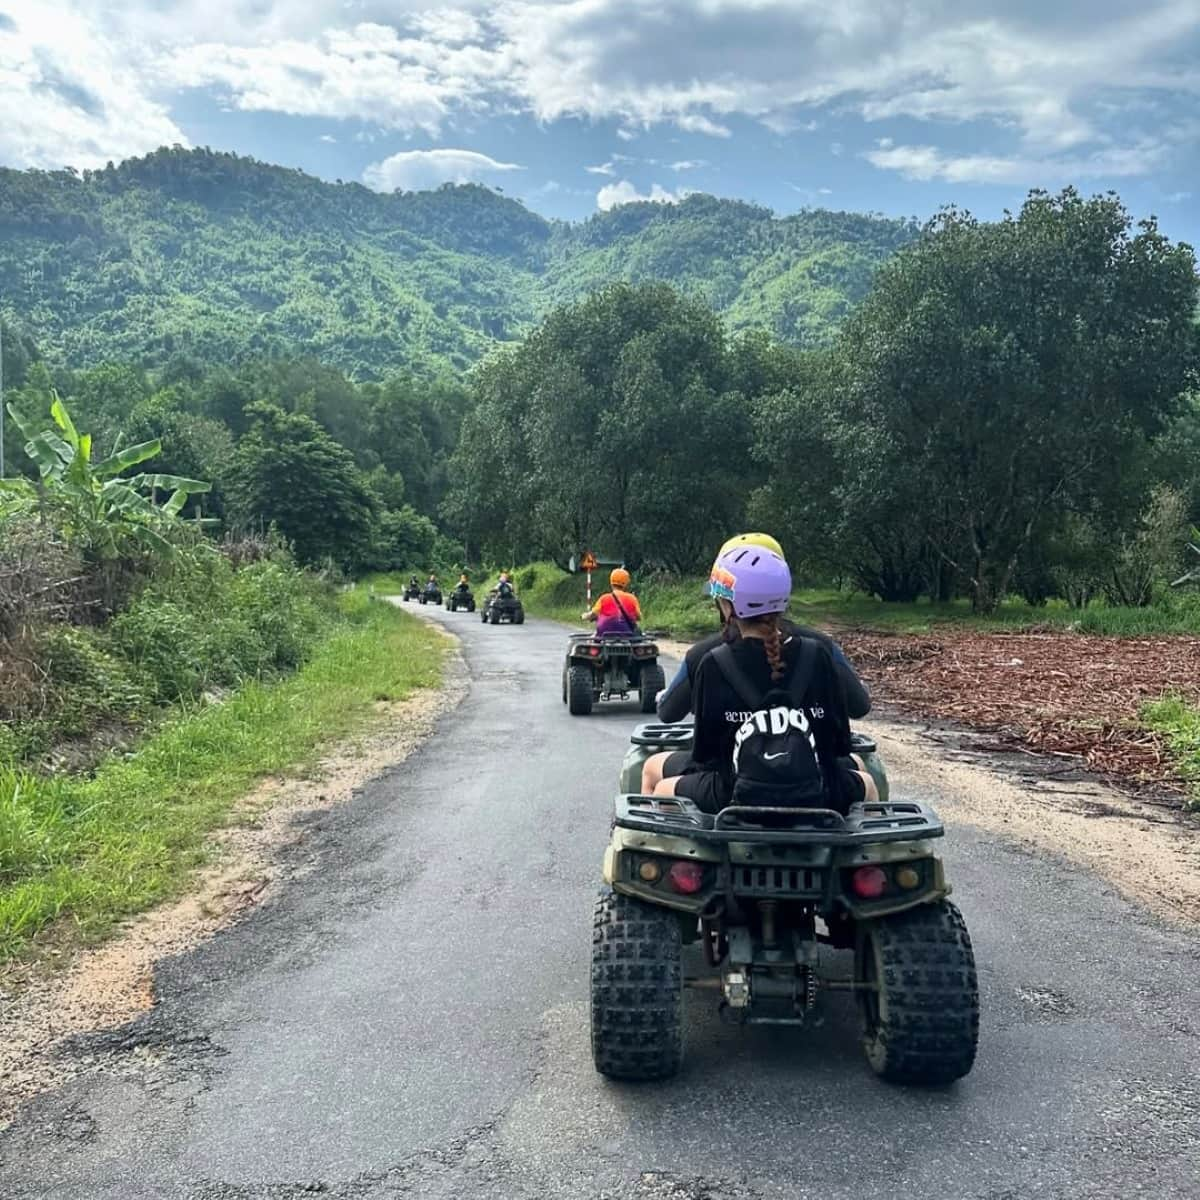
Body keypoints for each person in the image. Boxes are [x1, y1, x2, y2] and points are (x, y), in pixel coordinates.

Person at [648, 545, 877, 815]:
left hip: (732, 794)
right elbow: (839, 743)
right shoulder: (819, 655)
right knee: (868, 780)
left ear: (728, 605)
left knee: (655, 774)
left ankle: (662, 857)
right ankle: (858, 855)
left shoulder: (713, 663)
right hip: (819, 789)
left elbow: (705, 757)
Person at [583, 567, 642, 637]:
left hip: (604, 634)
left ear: (611, 582)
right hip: (627, 635)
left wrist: (585, 616)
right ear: (626, 583)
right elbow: (638, 617)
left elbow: (593, 614)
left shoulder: (604, 598)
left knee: (592, 642)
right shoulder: (632, 598)